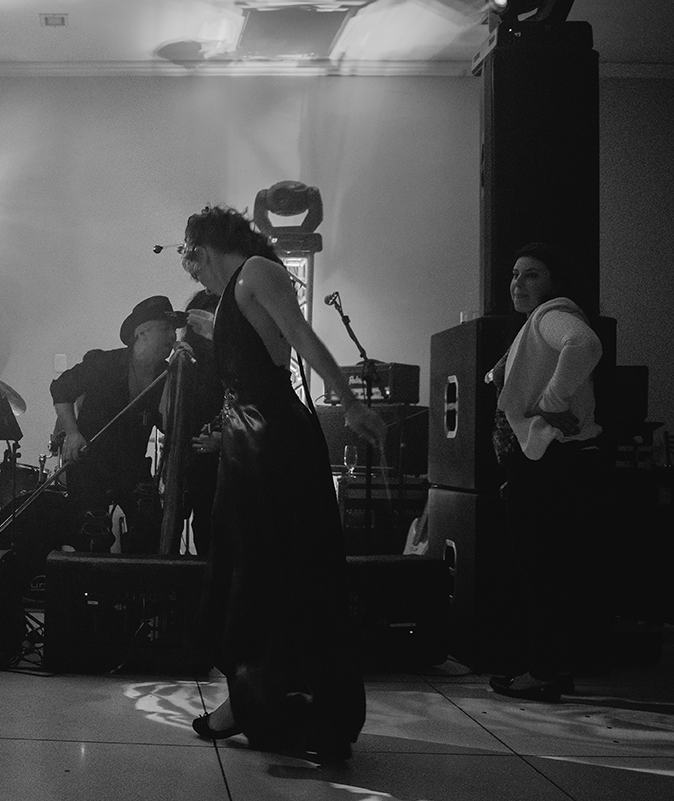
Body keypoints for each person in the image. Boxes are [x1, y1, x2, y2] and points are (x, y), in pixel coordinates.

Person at [178, 204, 385, 760]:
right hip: (249, 444)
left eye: (188, 254)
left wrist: (347, 401)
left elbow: (302, 340)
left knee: (278, 573)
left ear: (205, 245)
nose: (188, 267)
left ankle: (297, 708)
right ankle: (246, 700)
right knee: (246, 572)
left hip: (274, 444)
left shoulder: (257, 272)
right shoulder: (232, 294)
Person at [486, 242, 604, 702]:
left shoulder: (551, 315)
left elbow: (585, 344)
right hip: (545, 464)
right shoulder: (532, 328)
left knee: (541, 572)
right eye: (515, 274)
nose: (518, 283)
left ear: (553, 282)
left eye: (531, 274)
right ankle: (550, 668)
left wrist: (549, 404)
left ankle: (544, 673)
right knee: (548, 571)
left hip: (551, 464)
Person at [50, 296, 183, 554]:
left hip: (131, 465)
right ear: (141, 332)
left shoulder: (166, 374)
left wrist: (175, 379)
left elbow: (169, 425)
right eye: (166, 329)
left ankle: (140, 589)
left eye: (174, 330)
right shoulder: (104, 364)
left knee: (151, 524)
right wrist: (73, 434)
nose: (172, 336)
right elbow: (61, 390)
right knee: (93, 533)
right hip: (91, 462)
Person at [179, 288, 223, 558]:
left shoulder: (229, 360)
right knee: (205, 522)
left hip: (224, 450)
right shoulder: (190, 359)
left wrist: (223, 439)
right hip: (199, 453)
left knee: (212, 523)